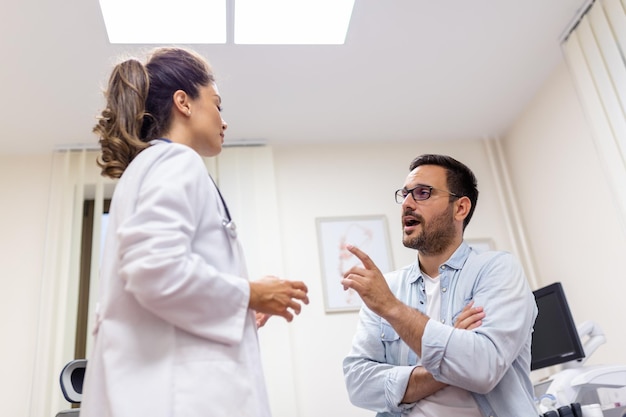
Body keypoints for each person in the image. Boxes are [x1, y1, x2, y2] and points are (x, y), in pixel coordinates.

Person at [80, 47, 309, 417]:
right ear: (183, 102)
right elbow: (155, 269)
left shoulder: (147, 167)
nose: (224, 120)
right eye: (217, 104)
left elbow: (153, 288)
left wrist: (242, 306)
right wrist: (248, 293)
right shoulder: (175, 160)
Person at [342, 154, 538, 417]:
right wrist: (452, 353)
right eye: (405, 194)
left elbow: (482, 369)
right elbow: (359, 384)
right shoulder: (388, 286)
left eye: (422, 193)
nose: (407, 204)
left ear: (460, 208)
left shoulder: (497, 270)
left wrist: (393, 309)